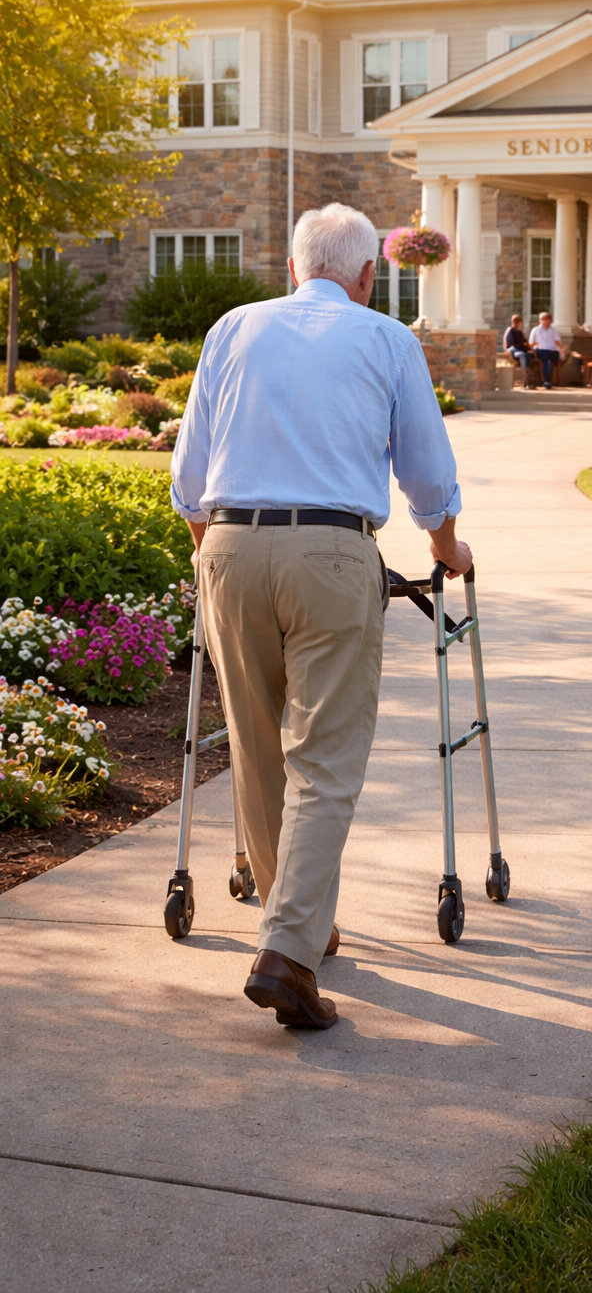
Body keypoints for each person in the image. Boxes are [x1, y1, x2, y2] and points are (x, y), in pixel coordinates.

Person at [171, 203, 471, 1033]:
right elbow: (427, 472)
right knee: (325, 760)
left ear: (291, 268)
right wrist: (447, 546)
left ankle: (294, 920)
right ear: (369, 275)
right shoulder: (385, 339)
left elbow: (189, 472)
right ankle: (290, 950)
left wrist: (215, 548)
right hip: (335, 554)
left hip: (229, 545)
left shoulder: (233, 328)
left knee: (259, 750)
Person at [527, 310, 563, 388]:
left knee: (549, 358)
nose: (546, 321)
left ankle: (547, 381)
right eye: (544, 319)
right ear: (540, 320)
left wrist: (561, 349)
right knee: (546, 360)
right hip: (541, 350)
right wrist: (537, 345)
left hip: (552, 351)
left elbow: (558, 342)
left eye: (547, 319)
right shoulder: (535, 330)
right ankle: (547, 381)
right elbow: (531, 344)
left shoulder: (554, 330)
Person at [503, 313, 533, 383]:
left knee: (529, 355)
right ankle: (525, 376)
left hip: (519, 349)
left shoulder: (519, 332)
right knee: (522, 354)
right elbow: (510, 344)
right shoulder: (510, 331)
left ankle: (527, 374)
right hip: (512, 350)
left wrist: (528, 347)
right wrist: (522, 345)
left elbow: (523, 342)